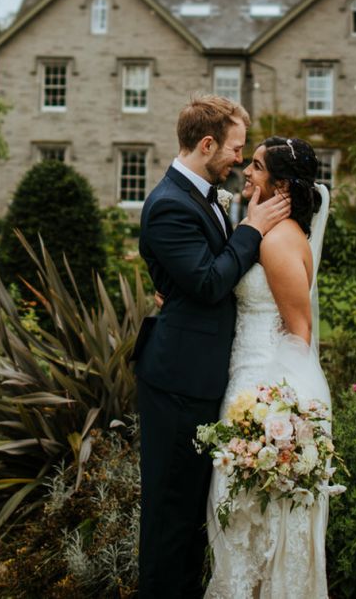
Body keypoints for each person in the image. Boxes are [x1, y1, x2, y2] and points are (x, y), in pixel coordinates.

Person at [135, 95, 291, 598]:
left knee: (189, 518)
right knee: (170, 518)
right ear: (207, 144)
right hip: (177, 382)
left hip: (200, 376)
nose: (240, 162)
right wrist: (250, 229)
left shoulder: (203, 196)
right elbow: (206, 282)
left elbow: (197, 276)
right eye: (235, 149)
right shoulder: (169, 205)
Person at [205, 136, 332, 599]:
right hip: (248, 373)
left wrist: (277, 410)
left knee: (250, 514)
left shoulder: (278, 241)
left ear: (280, 185)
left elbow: (299, 331)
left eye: (256, 167)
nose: (247, 173)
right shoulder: (266, 232)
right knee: (245, 516)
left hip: (264, 386)